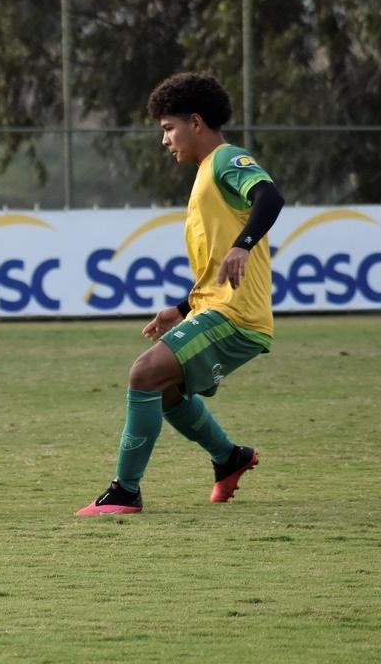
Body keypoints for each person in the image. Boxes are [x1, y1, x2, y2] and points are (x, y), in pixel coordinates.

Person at [77, 72, 285, 516]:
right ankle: (229, 457)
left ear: (195, 122)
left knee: (144, 374)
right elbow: (214, 269)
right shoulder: (206, 175)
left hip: (236, 316)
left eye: (168, 128)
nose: (165, 140)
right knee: (165, 390)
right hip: (215, 307)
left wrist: (243, 245)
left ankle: (124, 491)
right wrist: (181, 307)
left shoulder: (227, 159)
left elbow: (270, 196)